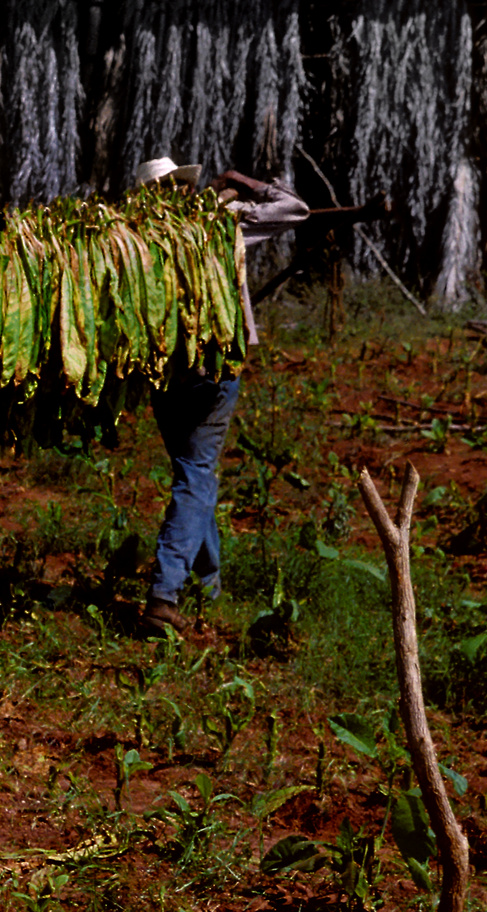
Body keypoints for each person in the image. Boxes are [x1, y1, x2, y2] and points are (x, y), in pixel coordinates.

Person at [132, 157, 308, 636]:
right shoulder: (218, 224)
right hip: (212, 367)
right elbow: (296, 209)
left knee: (192, 472)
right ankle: (164, 594)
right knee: (196, 476)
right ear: (185, 188)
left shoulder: (131, 239)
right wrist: (241, 182)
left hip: (164, 372)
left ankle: (207, 585)